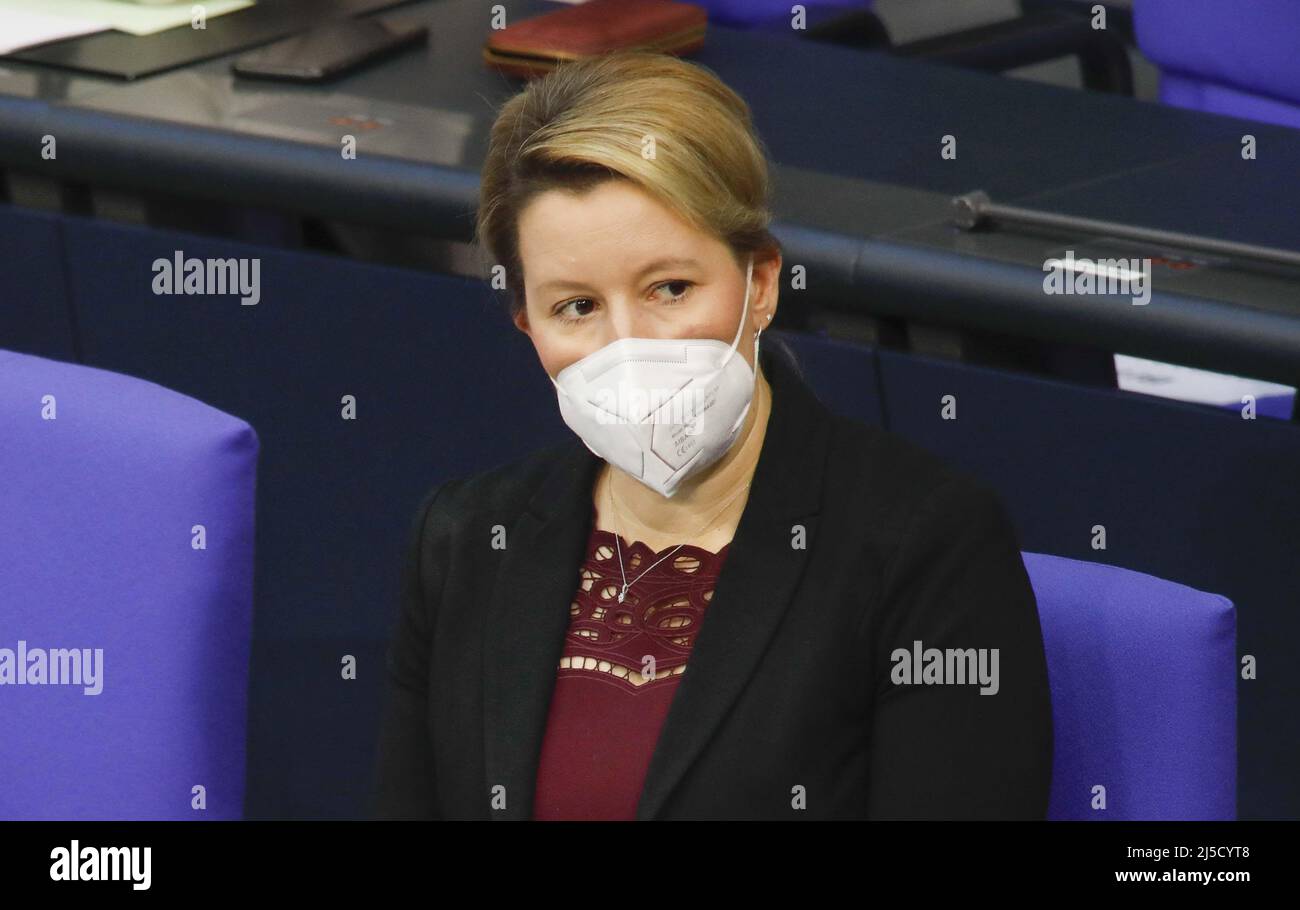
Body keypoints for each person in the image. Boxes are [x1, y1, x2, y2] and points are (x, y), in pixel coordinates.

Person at [371, 50, 1052, 820]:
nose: (628, 344)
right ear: (527, 323)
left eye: (670, 289)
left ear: (760, 284)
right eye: (577, 308)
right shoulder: (467, 539)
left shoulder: (922, 543)